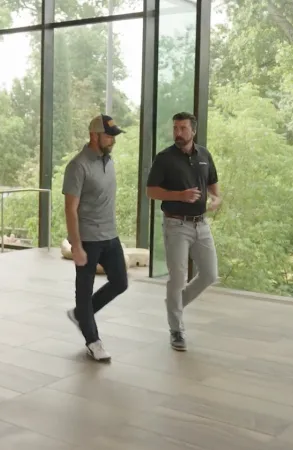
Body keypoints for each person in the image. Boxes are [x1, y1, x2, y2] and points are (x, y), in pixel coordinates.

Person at [146, 112, 221, 352]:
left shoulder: (204, 155)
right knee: (177, 278)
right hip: (176, 225)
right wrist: (180, 195)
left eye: (183, 128)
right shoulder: (164, 158)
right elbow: (151, 191)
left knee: (210, 274)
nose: (178, 133)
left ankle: (174, 304)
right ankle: (176, 329)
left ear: (193, 131)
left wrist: (216, 200)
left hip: (201, 224)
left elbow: (214, 186)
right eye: (175, 128)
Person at [62, 114, 129, 362]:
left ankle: (82, 314)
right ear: (94, 135)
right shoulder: (77, 166)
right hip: (88, 238)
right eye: (108, 135)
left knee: (120, 282)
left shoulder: (108, 161)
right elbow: (70, 208)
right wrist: (76, 245)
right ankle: (93, 340)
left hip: (110, 235)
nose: (112, 140)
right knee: (84, 289)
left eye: (113, 136)